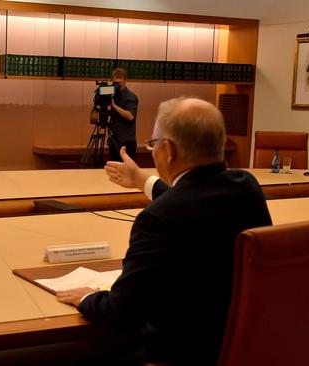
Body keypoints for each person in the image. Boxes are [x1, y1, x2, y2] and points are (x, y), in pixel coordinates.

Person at [56, 97, 272, 365]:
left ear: (168, 151)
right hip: (238, 347)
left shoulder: (157, 219)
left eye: (154, 143)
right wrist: (142, 180)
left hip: (177, 353)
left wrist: (87, 296)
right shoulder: (247, 188)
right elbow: (196, 200)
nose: (153, 149)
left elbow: (122, 313)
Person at [107, 68, 138, 162]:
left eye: (120, 83)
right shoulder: (111, 95)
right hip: (114, 139)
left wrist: (114, 106)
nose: (118, 85)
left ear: (125, 81)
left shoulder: (131, 97)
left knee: (127, 171)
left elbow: (130, 116)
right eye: (115, 83)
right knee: (114, 169)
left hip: (126, 141)